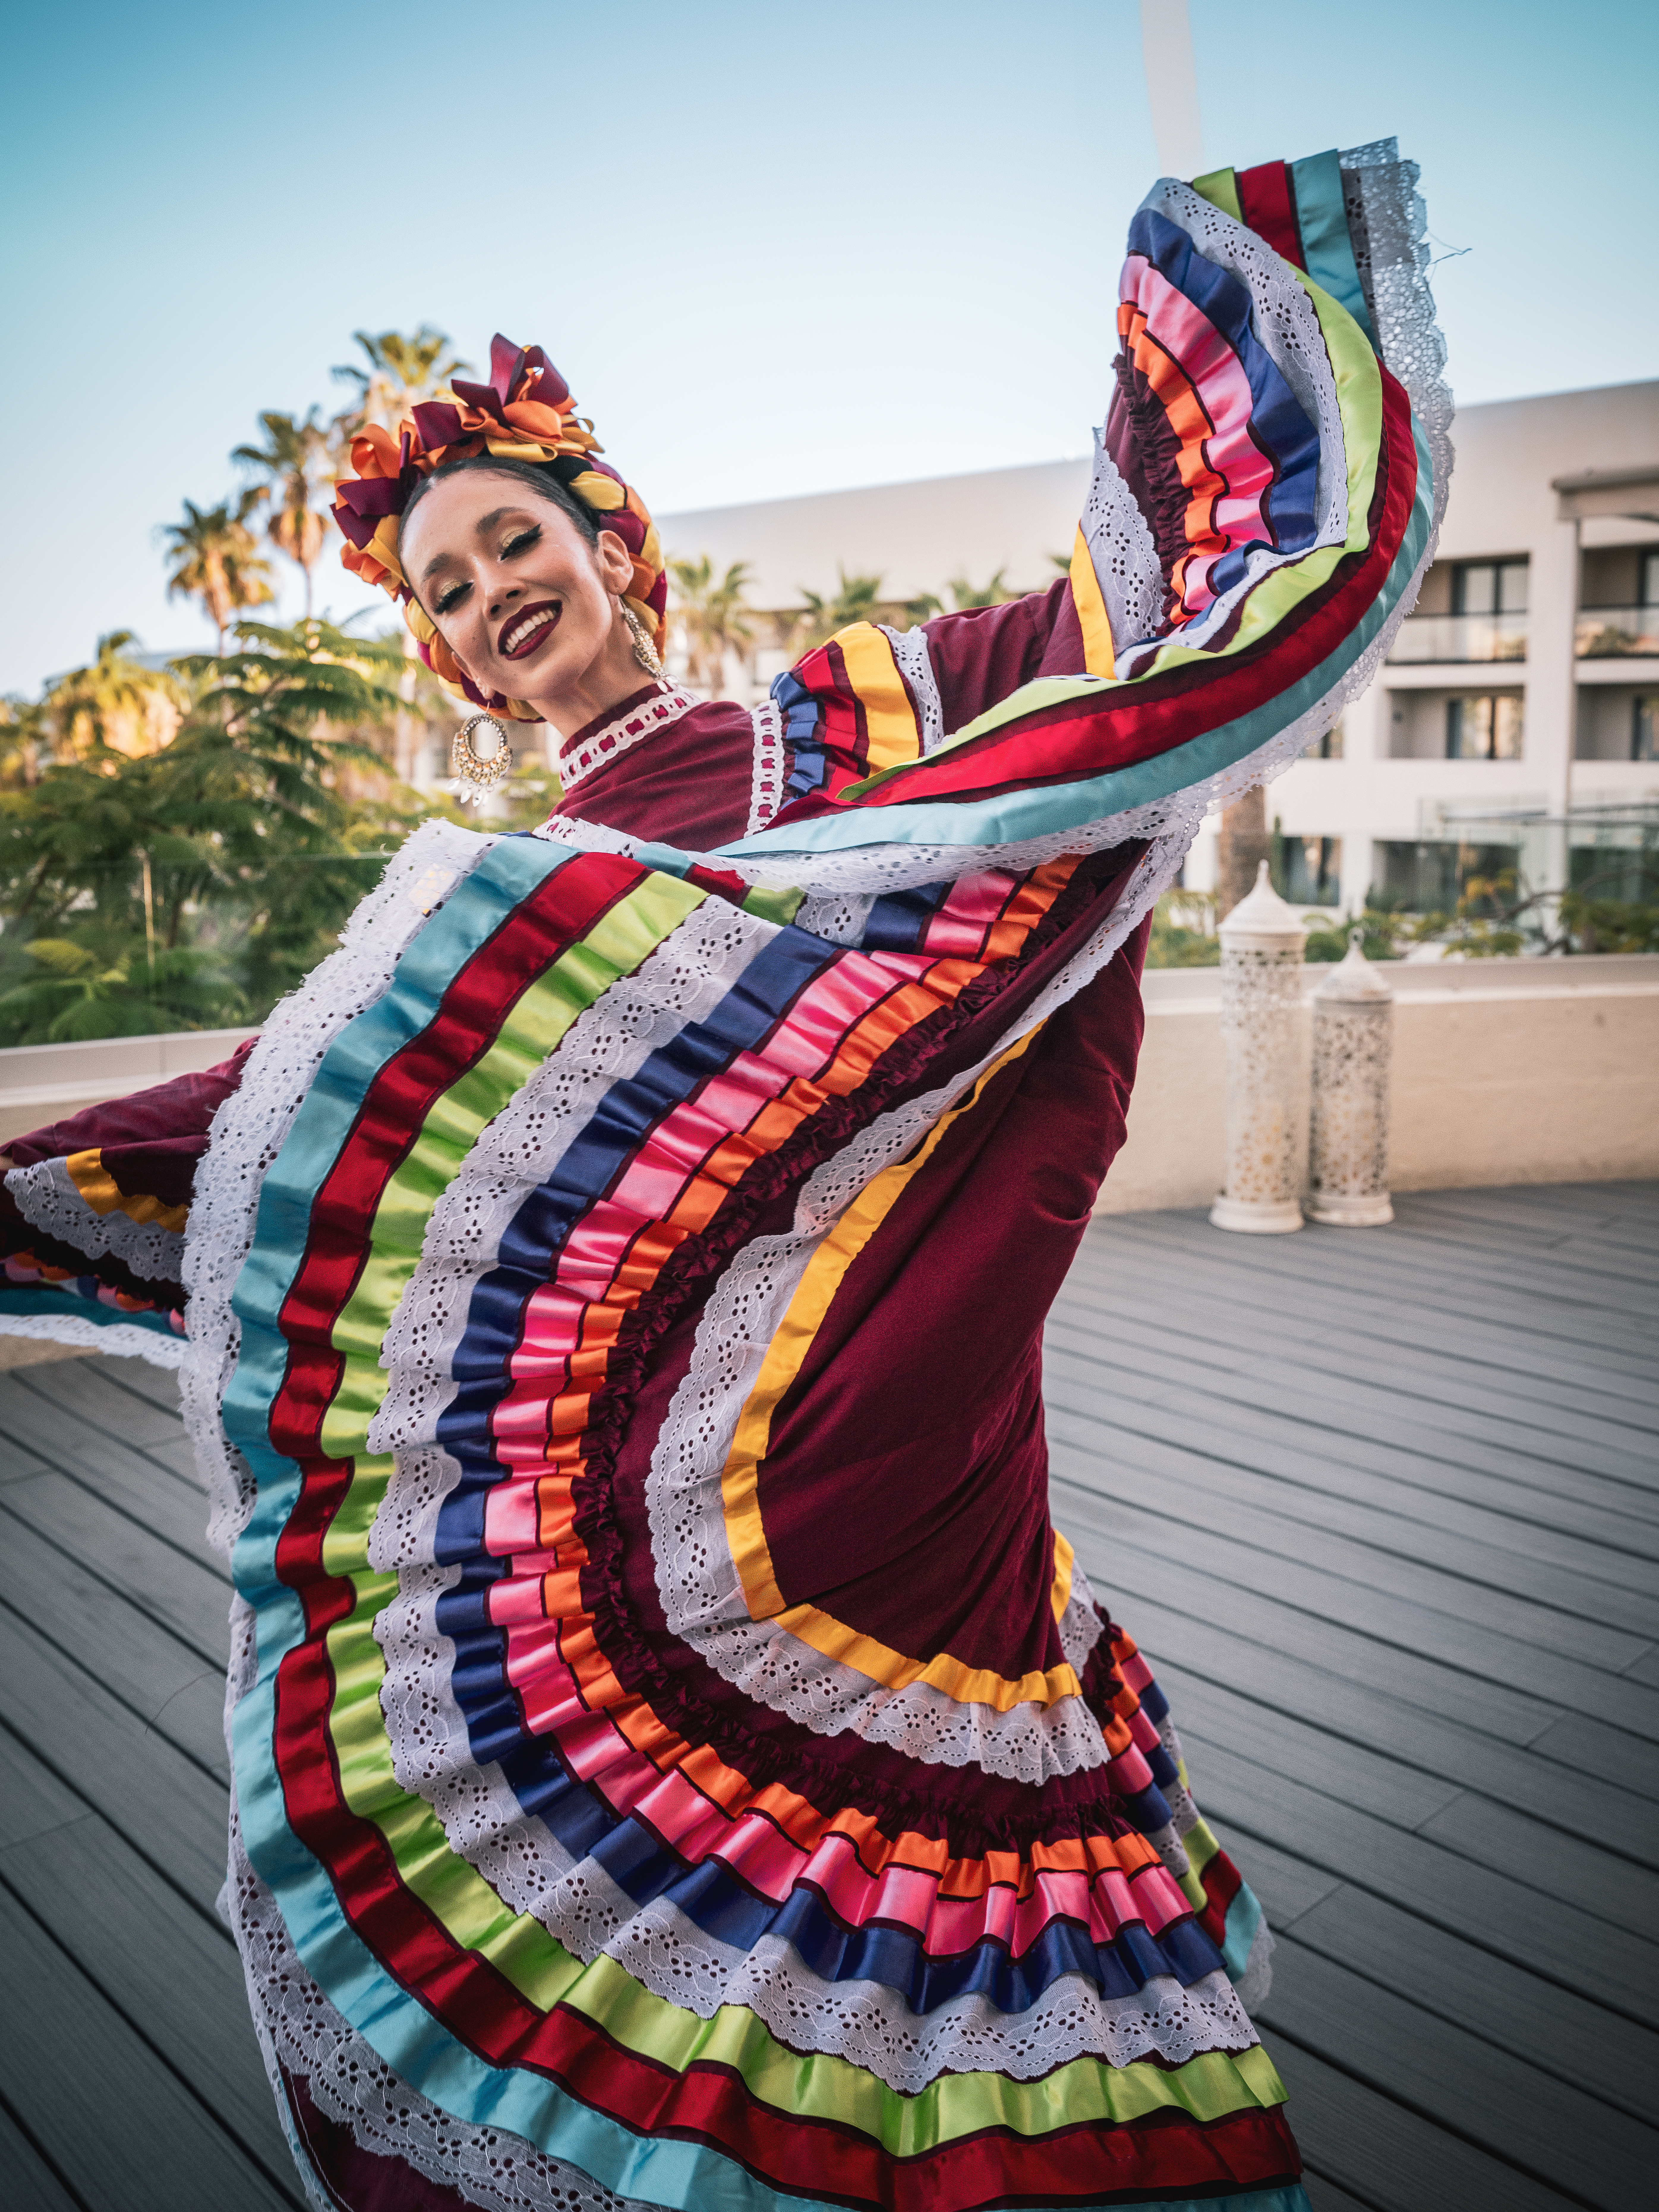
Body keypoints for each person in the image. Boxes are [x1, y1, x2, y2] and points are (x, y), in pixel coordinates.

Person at [0, 142, 1447, 2212]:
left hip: (921, 1365)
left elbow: (1113, 654)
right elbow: (290, 1121)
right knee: (726, 1866)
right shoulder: (512, 904)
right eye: (450, 586)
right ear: (462, 665)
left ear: (612, 547)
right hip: (681, 1467)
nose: (498, 587)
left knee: (968, 1789)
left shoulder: (864, 714)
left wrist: (1210, 342)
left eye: (519, 538)